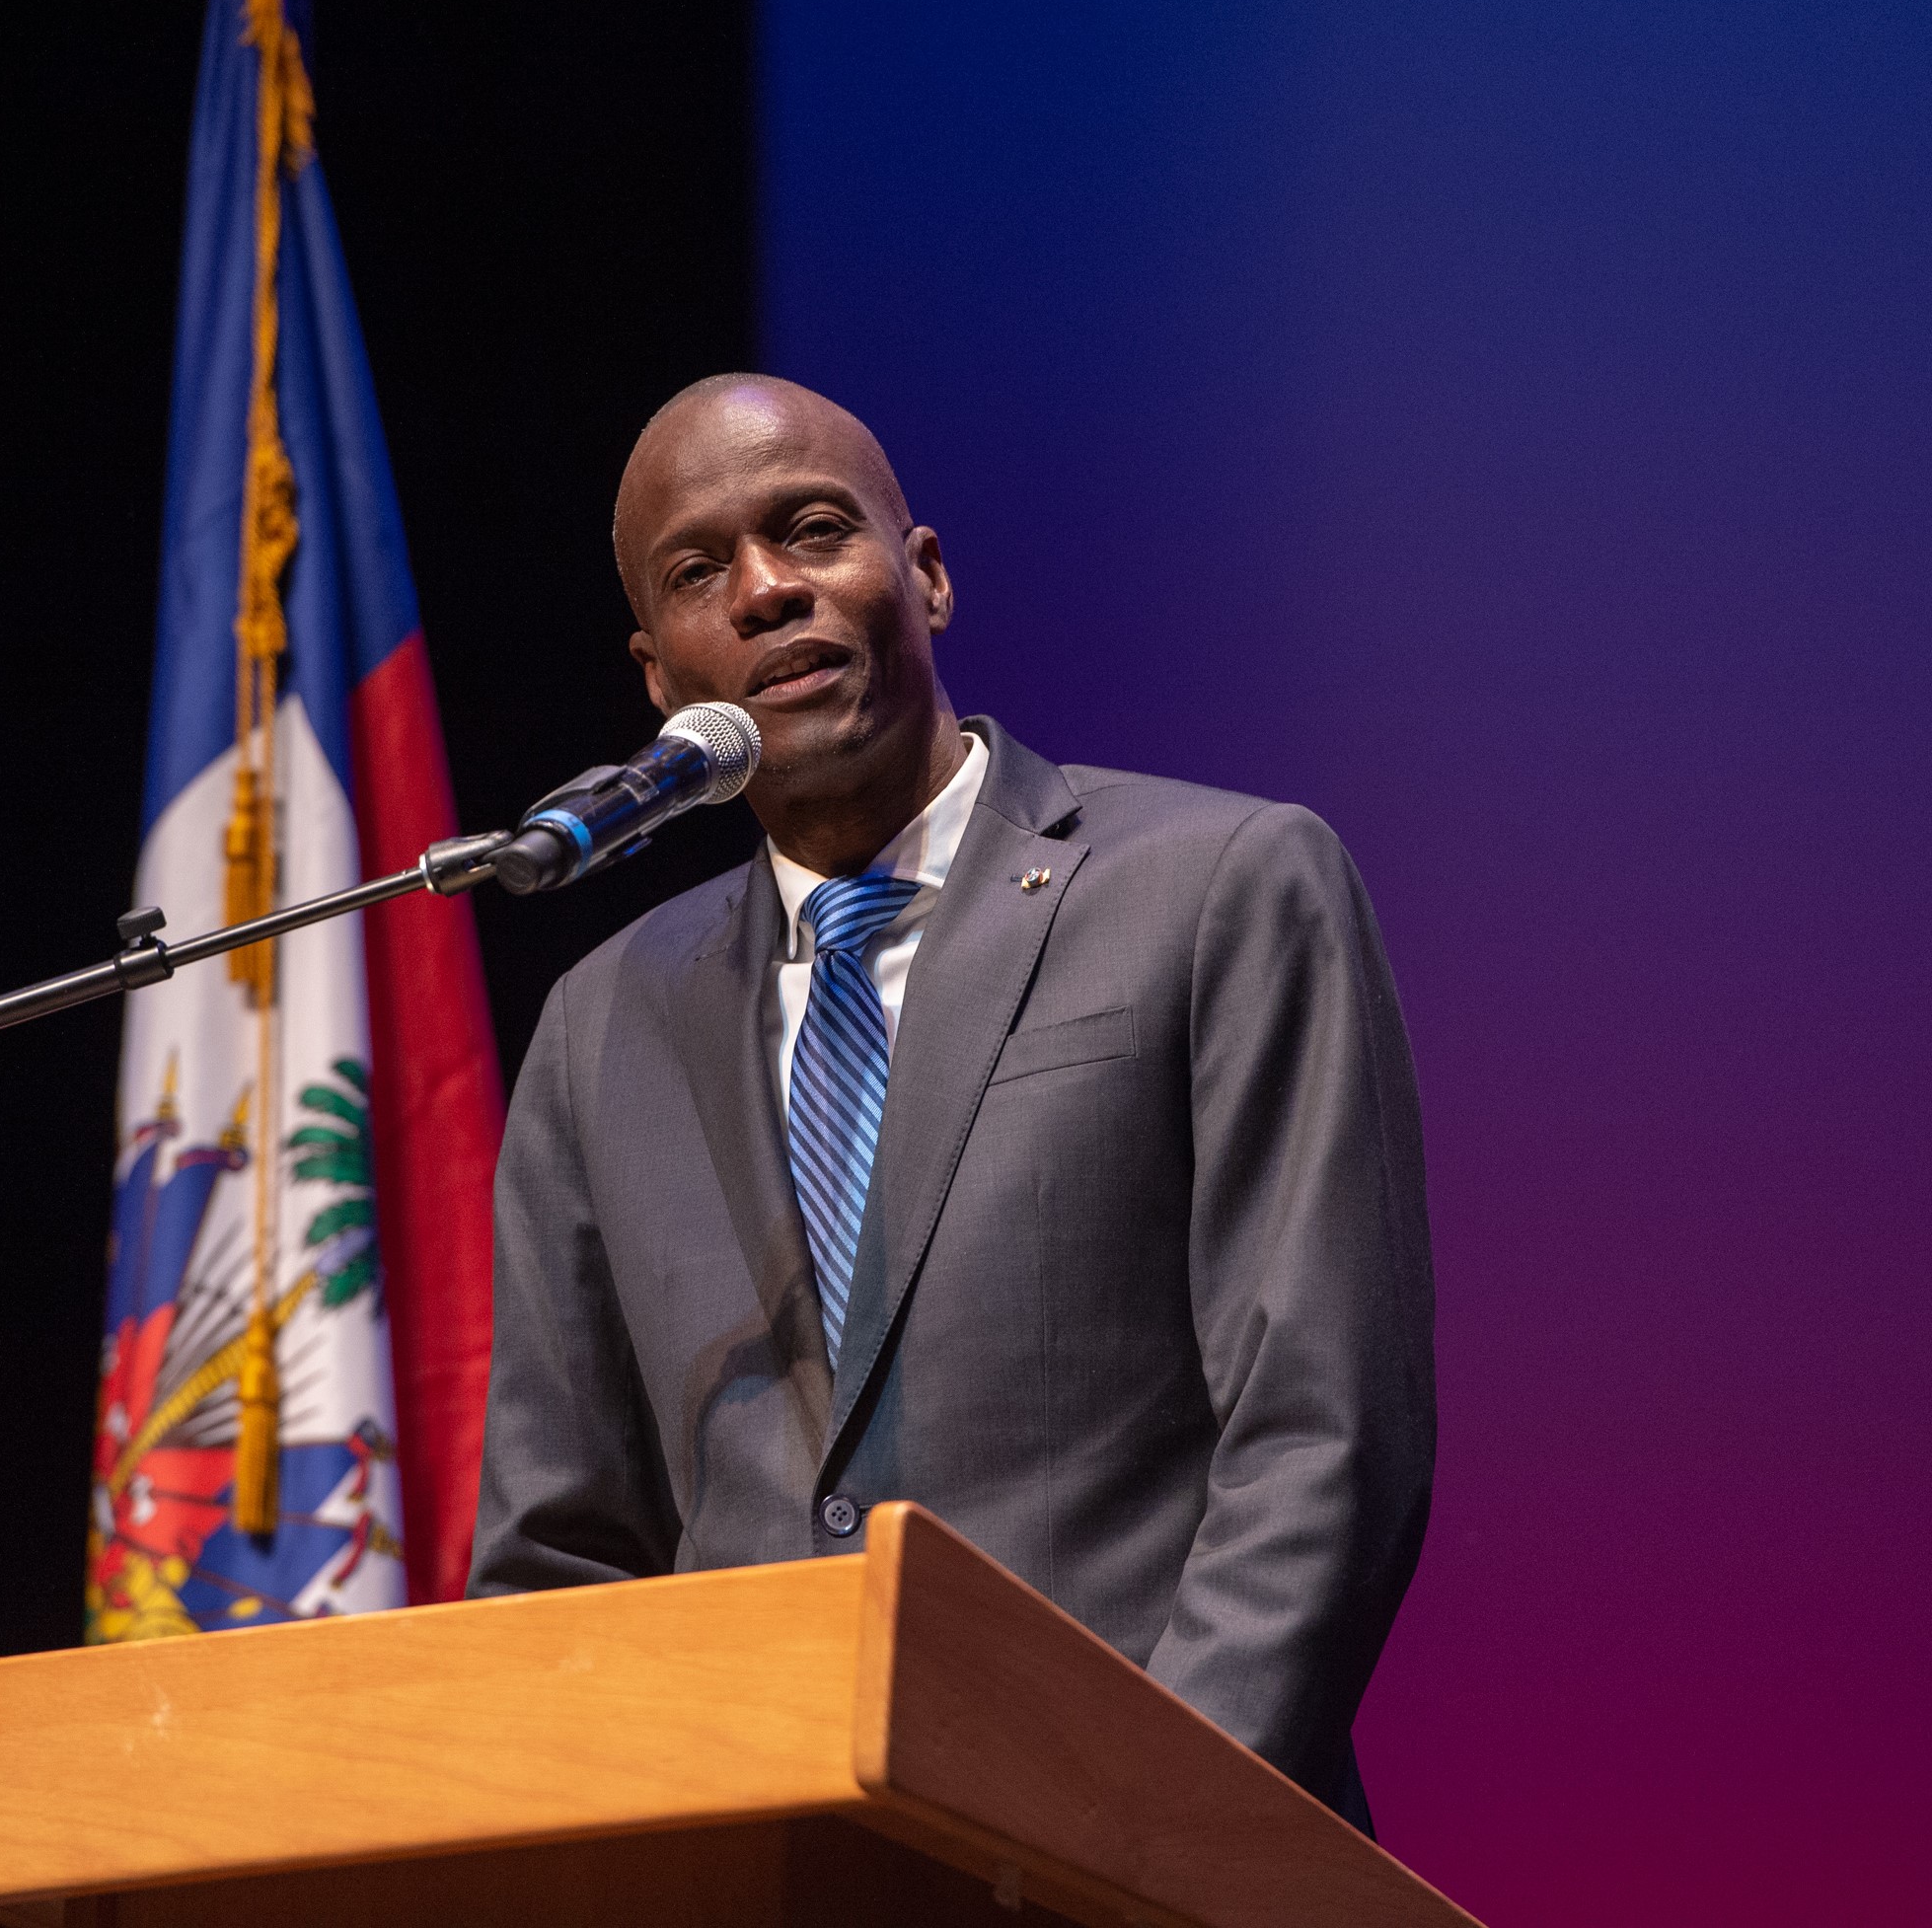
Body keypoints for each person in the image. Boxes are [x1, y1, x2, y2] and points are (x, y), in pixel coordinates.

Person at [469, 375, 1435, 1829]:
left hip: (1148, 1867)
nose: (768, 590)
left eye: (812, 530)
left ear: (922, 574)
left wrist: (1127, 1839)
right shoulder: (602, 1023)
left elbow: (1320, 1442)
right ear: (660, 679)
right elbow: (560, 1558)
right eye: (698, 571)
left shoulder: (1220, 888)